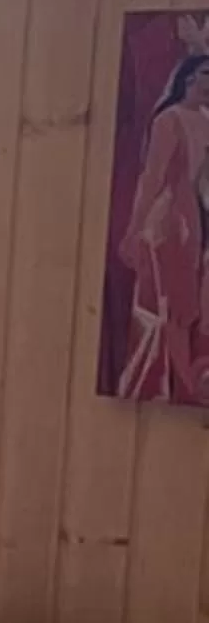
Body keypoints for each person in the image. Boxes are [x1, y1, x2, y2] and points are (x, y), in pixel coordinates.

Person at [118, 51, 209, 399]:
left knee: (183, 308)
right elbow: (152, 177)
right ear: (187, 77)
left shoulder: (205, 118)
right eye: (206, 74)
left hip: (192, 222)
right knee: (167, 305)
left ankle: (180, 386)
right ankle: (168, 385)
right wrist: (133, 229)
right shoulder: (168, 120)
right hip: (167, 222)